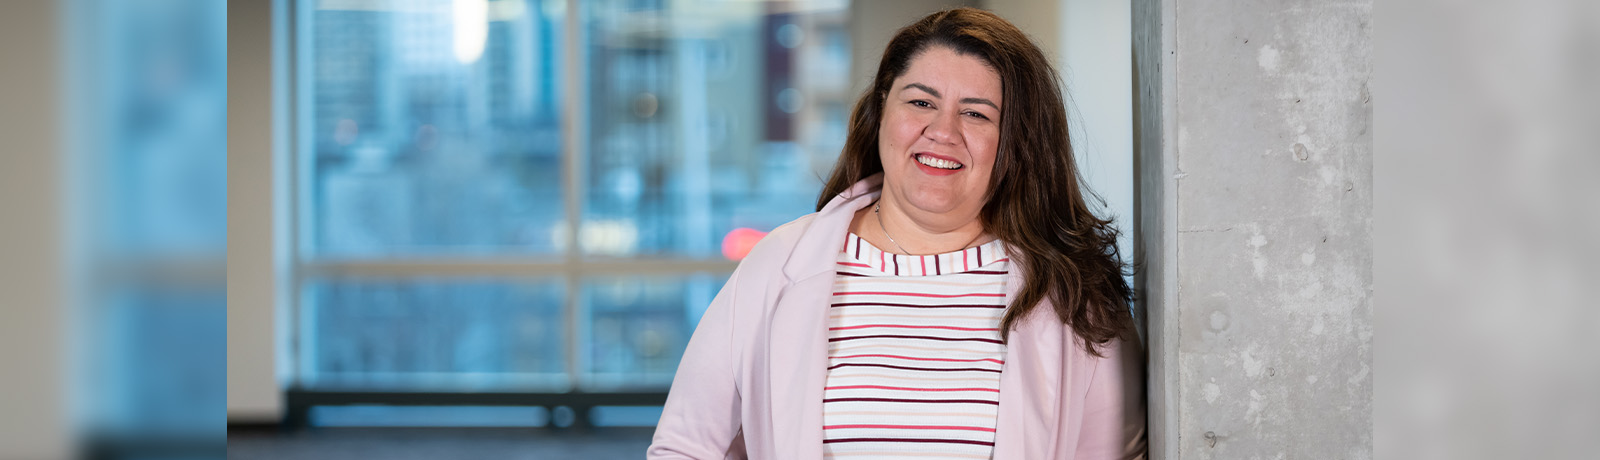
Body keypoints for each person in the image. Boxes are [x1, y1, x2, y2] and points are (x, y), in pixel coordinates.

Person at [648, 7, 1145, 460]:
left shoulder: (1074, 293)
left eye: (975, 113)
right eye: (921, 102)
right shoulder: (779, 264)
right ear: (882, 108)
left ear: (1018, 142)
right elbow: (684, 449)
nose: (942, 131)